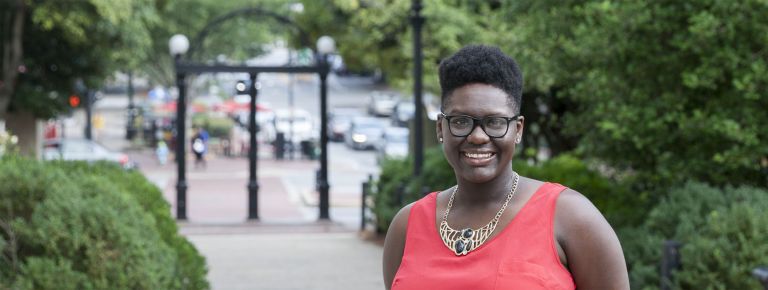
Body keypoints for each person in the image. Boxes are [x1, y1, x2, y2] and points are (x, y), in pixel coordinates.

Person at [382, 45, 630, 290]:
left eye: (495, 122)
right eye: (460, 121)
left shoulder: (571, 217)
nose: (478, 136)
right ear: (440, 129)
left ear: (518, 129)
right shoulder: (407, 225)